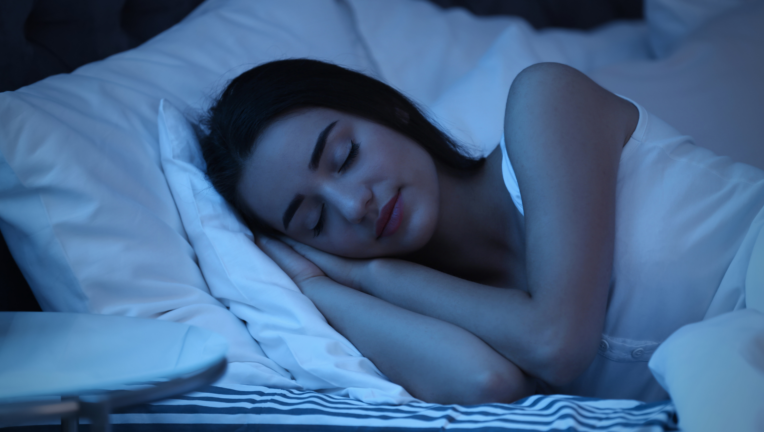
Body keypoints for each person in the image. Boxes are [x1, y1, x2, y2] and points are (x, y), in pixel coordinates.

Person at [199, 59, 764, 412]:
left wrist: (368, 270)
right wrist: (325, 288)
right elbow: (485, 384)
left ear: (389, 109)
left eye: (345, 156)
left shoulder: (545, 101)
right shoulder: (444, 307)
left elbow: (557, 344)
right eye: (314, 222)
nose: (354, 205)